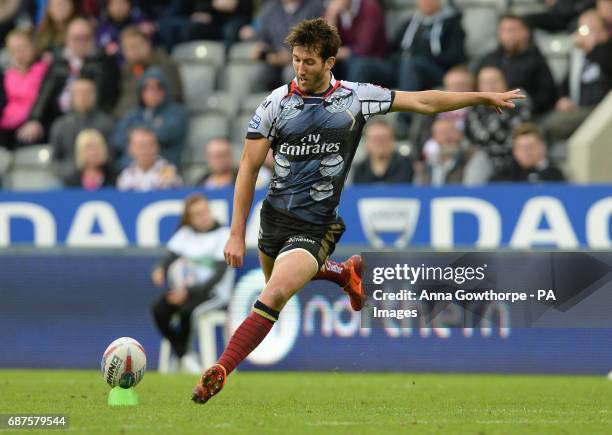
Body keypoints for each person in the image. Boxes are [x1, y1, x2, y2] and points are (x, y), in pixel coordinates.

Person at [191, 17, 523, 404]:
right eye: (296, 60)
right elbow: (248, 168)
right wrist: (236, 231)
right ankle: (343, 272)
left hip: (316, 225)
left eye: (310, 61)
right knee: (279, 286)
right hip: (272, 221)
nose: (300, 68)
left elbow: (423, 101)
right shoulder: (275, 104)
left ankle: (220, 369)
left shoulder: (356, 97)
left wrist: (481, 96)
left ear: (330, 62)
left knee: (275, 292)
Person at [152, 193, 235, 374]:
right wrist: (160, 269)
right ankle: (184, 354)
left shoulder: (223, 235)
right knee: (159, 309)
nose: (203, 217)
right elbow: (169, 257)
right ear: (189, 218)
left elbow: (217, 277)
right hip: (187, 291)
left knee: (188, 311)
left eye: (205, 211)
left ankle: (185, 356)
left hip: (214, 293)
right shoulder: (185, 234)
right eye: (197, 214)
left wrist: (188, 291)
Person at [540, 9, 612, 143]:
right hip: (579, 108)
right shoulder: (578, 56)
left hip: (603, 111)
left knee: (550, 125)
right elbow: (564, 83)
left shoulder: (607, 51)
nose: (586, 34)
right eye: (583, 29)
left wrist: (594, 48)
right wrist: (563, 98)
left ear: (605, 32)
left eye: (592, 30)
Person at [478, 14, 558, 116]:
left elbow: (548, 95)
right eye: (503, 30)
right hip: (488, 113)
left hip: (526, 115)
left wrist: (525, 100)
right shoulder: (490, 58)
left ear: (526, 32)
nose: (507, 35)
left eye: (512, 30)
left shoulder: (536, 60)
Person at [111, 67, 188, 167]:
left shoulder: (177, 113)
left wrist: (134, 133)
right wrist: (152, 128)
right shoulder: (132, 114)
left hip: (164, 169)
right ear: (141, 92)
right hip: (130, 168)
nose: (152, 92)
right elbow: (117, 139)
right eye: (147, 88)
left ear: (166, 90)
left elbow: (165, 134)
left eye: (158, 87)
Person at [464, 65, 532, 171]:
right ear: (479, 86)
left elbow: (518, 135)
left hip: (514, 155)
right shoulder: (473, 110)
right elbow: (475, 138)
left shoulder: (517, 106)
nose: (491, 86)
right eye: (486, 82)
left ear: (505, 83)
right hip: (485, 158)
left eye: (495, 81)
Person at [50, 77, 114, 178]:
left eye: (88, 93)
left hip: (104, 181)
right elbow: (55, 162)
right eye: (79, 93)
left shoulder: (107, 124)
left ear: (95, 96)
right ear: (72, 97)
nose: (83, 97)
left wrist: (101, 165)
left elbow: (114, 157)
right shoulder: (61, 125)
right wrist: (75, 170)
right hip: (69, 184)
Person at [0, 28, 49, 150]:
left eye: (23, 48)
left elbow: (45, 99)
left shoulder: (45, 69)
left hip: (33, 121)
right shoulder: (7, 74)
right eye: (14, 50)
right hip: (6, 124)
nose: (20, 53)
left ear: (32, 47)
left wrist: (35, 120)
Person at [414, 118, 493, 186]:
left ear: (460, 134)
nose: (447, 137)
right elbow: (416, 191)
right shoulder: (429, 163)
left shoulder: (474, 157)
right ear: (434, 138)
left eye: (451, 131)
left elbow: (472, 190)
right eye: (441, 133)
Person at [492, 122, 565, 182]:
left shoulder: (554, 175)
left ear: (543, 147)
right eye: (521, 147)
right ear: (514, 152)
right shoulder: (504, 176)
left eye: (531, 146)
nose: (526, 151)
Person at [116, 126, 183, 191]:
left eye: (149, 145)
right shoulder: (125, 175)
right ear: (130, 149)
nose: (144, 150)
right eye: (139, 145)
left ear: (157, 147)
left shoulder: (169, 172)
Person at [351, 118, 414, 184]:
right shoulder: (359, 169)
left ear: (393, 140)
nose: (380, 144)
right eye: (375, 139)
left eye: (384, 138)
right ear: (366, 142)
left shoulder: (407, 164)